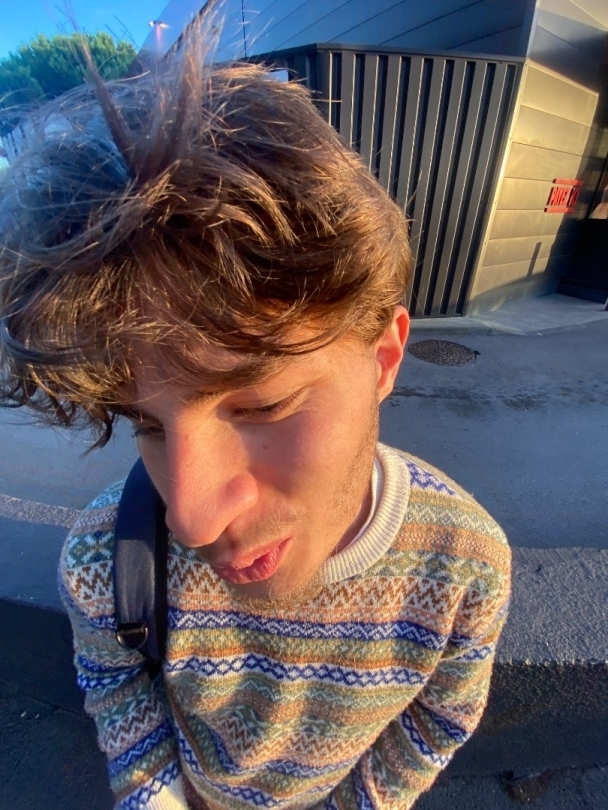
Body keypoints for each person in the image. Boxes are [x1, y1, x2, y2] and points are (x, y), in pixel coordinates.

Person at [0, 23, 511, 810]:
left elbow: (440, 717)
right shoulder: (107, 558)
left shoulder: (466, 566)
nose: (193, 518)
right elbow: (116, 687)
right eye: (148, 424)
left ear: (382, 358)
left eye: (263, 404)